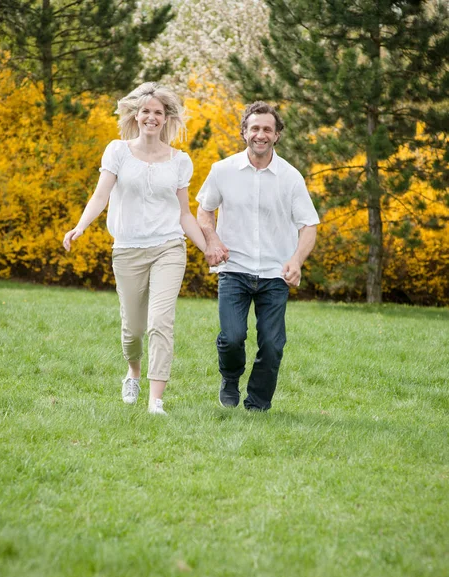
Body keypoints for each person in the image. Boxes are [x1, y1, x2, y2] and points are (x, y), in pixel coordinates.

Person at [63, 82, 208, 416]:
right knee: (133, 329)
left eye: (158, 112)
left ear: (166, 118)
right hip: (127, 249)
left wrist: (206, 249)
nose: (151, 117)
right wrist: (80, 226)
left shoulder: (179, 161)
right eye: (146, 111)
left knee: (161, 321)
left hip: (168, 248)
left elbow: (185, 214)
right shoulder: (117, 151)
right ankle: (133, 372)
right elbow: (101, 196)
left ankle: (155, 401)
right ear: (136, 115)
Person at [196, 101, 319, 412]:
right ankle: (230, 377)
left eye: (267, 129)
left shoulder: (291, 177)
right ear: (244, 132)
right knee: (232, 337)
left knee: (273, 344)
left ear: (277, 135)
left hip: (274, 274)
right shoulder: (222, 170)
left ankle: (258, 404)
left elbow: (309, 226)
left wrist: (296, 260)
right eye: (255, 128)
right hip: (233, 269)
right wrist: (212, 240)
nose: (260, 134)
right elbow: (204, 210)